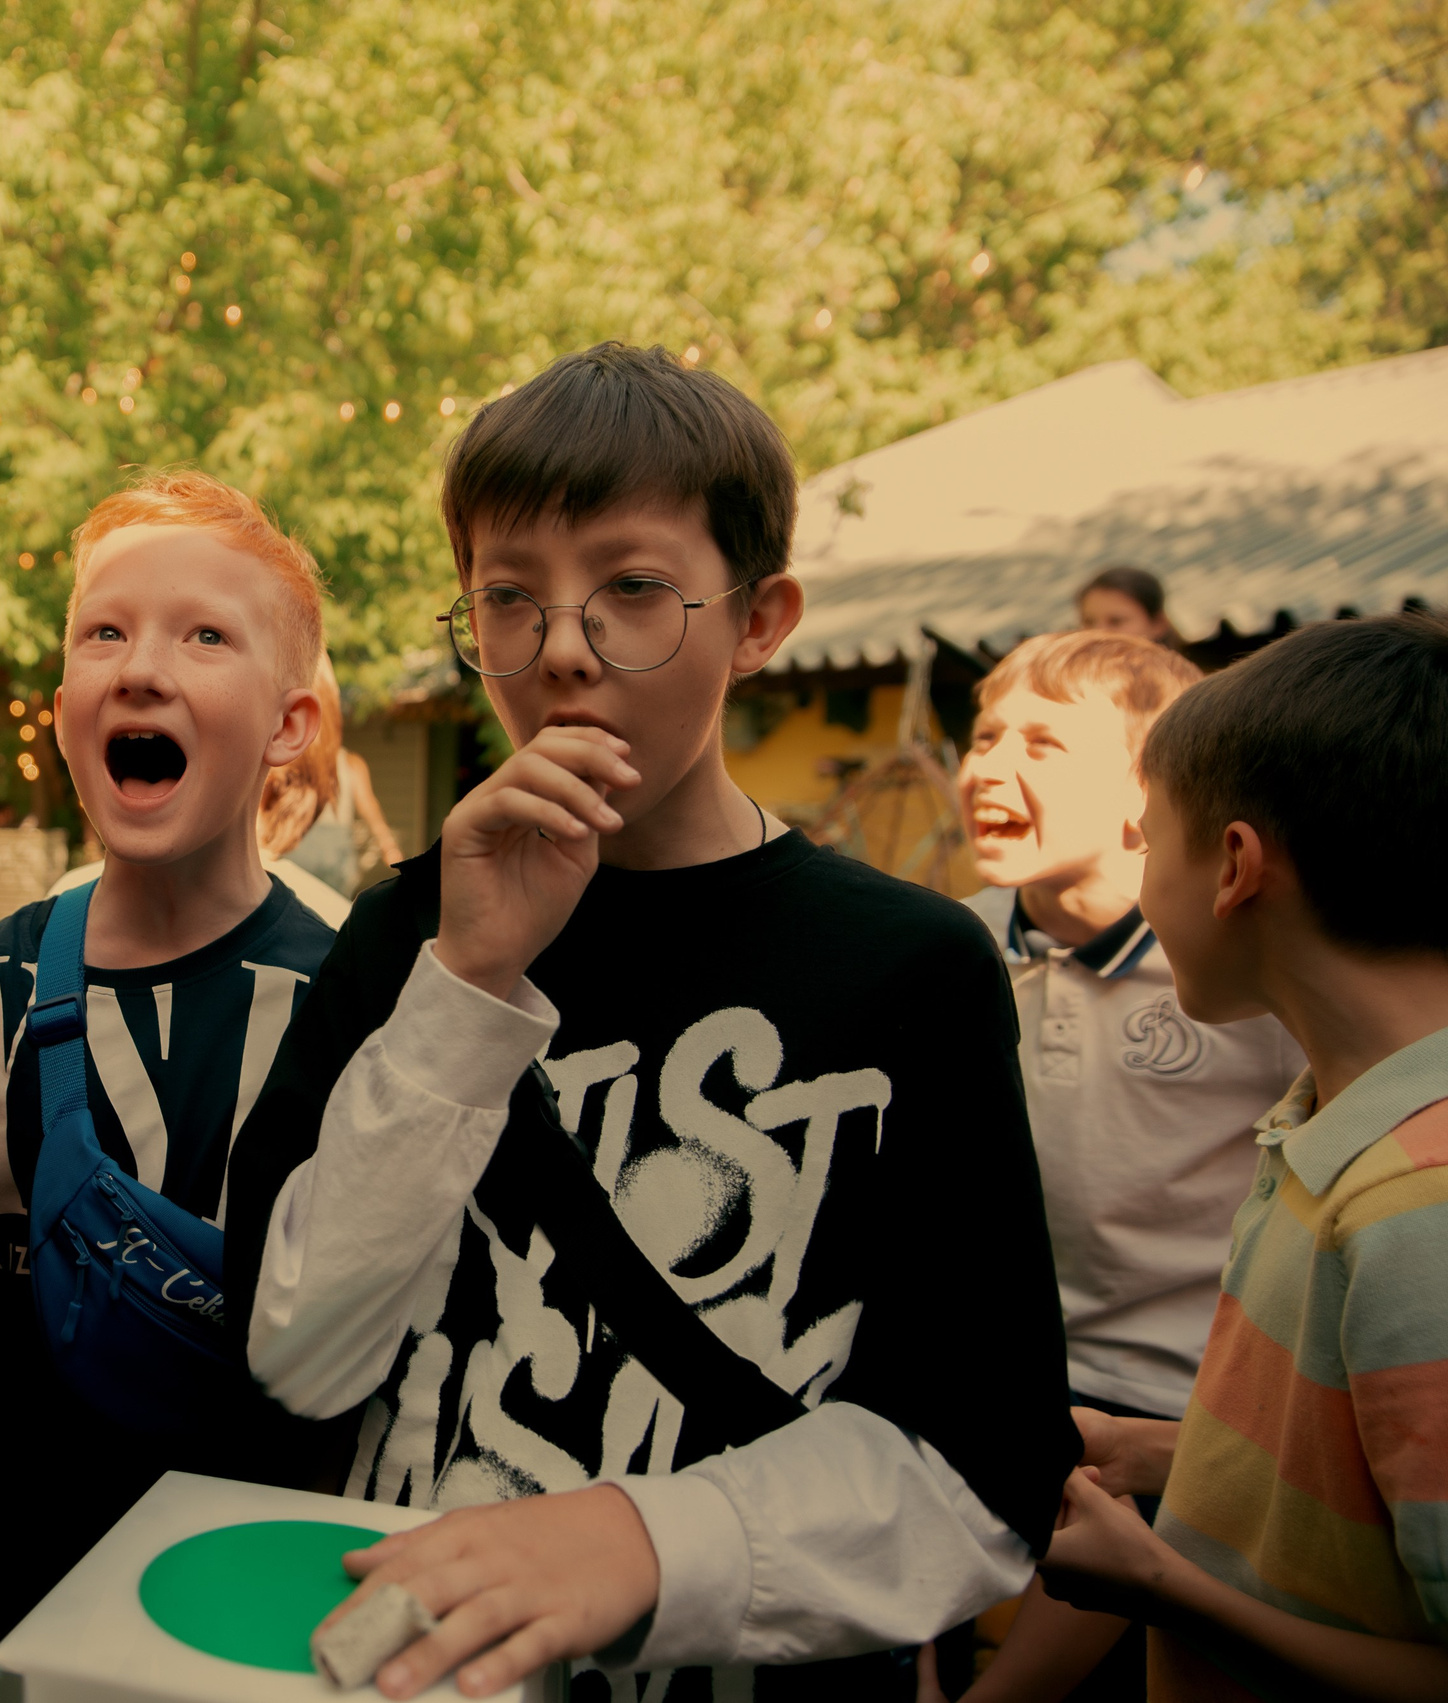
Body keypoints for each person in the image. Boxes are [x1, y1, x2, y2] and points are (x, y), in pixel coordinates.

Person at [224, 342, 1081, 1700]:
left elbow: (980, 1470)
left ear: (761, 617)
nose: (562, 645)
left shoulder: (909, 966)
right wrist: (470, 982)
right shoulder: (407, 930)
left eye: (633, 589)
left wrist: (638, 1540)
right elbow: (298, 1355)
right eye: (509, 596)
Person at [0, 472, 344, 1703]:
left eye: (204, 634)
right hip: (14, 1642)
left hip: (274, 1650)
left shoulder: (353, 1008)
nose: (139, 665)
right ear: (63, 706)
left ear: (287, 724)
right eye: (103, 630)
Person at [1030, 612, 1448, 1701]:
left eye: (1146, 837)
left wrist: (1167, 1582)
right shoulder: (1335, 1127)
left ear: (1232, 866)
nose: (1137, 874)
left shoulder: (1420, 1209)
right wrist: (1177, 1456)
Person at [952, 631, 1304, 1703]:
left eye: (1044, 742)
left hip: (1178, 1396)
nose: (988, 765)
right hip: (998, 1367)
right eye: (983, 734)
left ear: (1145, 797)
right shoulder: (953, 946)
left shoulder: (1229, 958)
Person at [266, 655, 406, 898]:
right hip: (337, 854)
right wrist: (389, 846)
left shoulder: (287, 758)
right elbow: (369, 806)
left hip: (299, 848)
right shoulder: (351, 762)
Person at [1077, 565, 1179, 649]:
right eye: (1089, 622)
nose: (1099, 633)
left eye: (1116, 621)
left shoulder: (1188, 671)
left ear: (1158, 623)